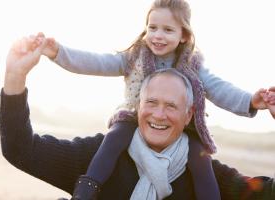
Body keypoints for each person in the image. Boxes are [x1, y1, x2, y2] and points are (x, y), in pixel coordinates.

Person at [31, 0, 275, 197]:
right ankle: (87, 189)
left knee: (202, 163)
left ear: (184, 36)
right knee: (112, 141)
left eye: (168, 30)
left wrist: (251, 101)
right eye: (152, 27)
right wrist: (58, 52)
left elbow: (220, 89)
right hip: (133, 116)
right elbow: (98, 62)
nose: (158, 35)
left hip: (182, 125)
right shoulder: (134, 57)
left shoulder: (193, 64)